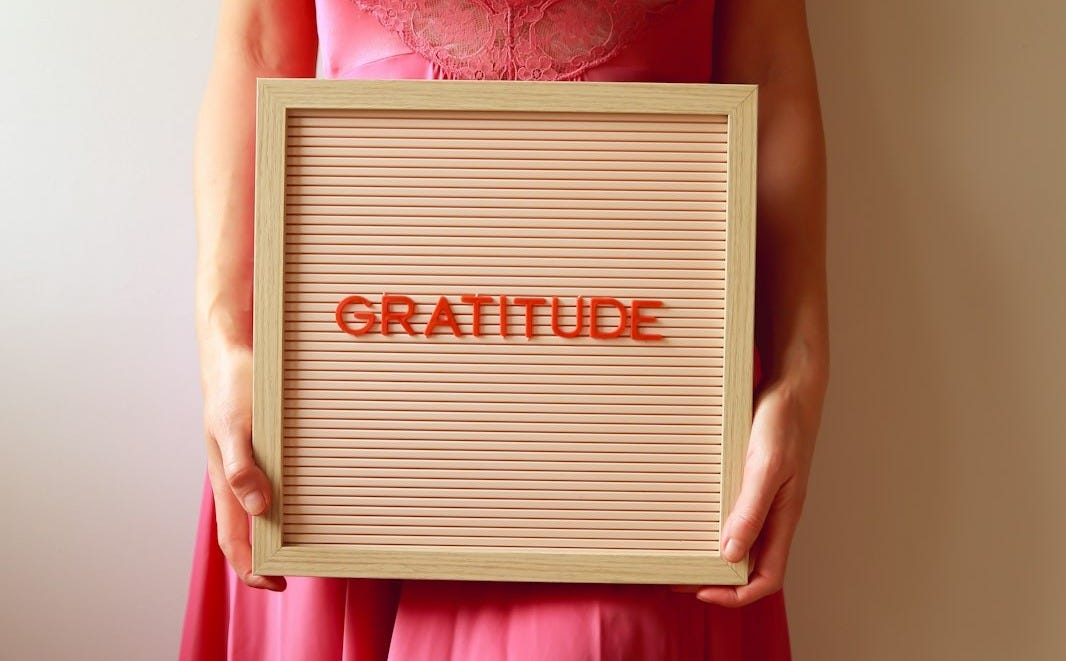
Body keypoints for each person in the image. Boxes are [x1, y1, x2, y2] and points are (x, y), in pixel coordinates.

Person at [181, 0, 829, 658]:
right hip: (347, 413)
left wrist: (798, 375)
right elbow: (257, 48)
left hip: (637, 433)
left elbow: (769, 72)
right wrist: (224, 344)